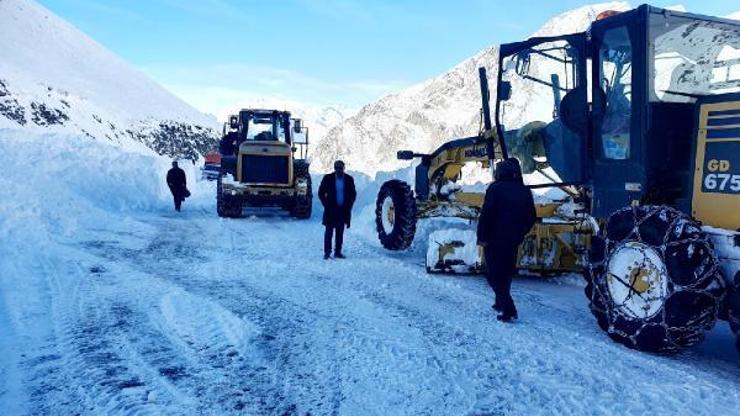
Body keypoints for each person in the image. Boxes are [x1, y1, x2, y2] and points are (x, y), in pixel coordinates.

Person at [477, 158, 536, 322]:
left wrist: (482, 237)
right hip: (513, 239)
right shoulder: (524, 190)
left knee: (494, 274)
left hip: (494, 239)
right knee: (506, 272)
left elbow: (487, 214)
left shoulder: (495, 188)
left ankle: (509, 309)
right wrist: (520, 233)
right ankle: (499, 302)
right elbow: (531, 216)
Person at [318, 160, 357, 260]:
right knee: (329, 232)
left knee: (340, 233)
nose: (339, 170)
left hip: (343, 210)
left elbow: (353, 194)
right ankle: (327, 253)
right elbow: (321, 193)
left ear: (344, 168)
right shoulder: (328, 178)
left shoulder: (349, 179)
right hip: (331, 210)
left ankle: (338, 252)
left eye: (341, 168)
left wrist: (349, 205)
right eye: (337, 168)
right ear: (334, 168)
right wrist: (326, 204)